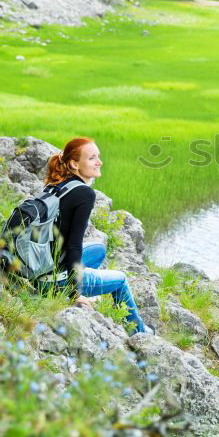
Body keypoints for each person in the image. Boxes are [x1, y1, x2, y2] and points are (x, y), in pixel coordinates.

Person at [40, 136, 151, 335]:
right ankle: (140, 333)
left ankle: (86, 285)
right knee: (121, 280)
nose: (99, 162)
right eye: (92, 158)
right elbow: (73, 246)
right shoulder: (84, 194)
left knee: (98, 249)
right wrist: (75, 294)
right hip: (56, 278)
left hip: (42, 265)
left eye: (98, 156)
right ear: (74, 164)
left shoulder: (56, 186)